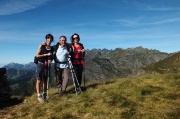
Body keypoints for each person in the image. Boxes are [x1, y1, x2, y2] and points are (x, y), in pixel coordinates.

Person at [35, 33, 54, 102]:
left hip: (47, 65)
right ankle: (39, 95)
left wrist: (50, 60)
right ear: (46, 39)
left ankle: (45, 93)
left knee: (45, 80)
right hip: (40, 64)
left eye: (50, 39)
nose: (49, 40)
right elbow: (37, 55)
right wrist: (46, 54)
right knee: (39, 80)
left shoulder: (52, 48)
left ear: (52, 40)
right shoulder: (41, 46)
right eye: (48, 38)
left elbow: (51, 56)